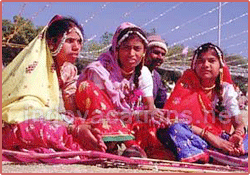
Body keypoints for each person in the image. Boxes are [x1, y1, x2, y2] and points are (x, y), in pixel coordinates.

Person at [2, 15, 107, 163]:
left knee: (88, 125)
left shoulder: (68, 70)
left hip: (49, 119)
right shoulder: (34, 66)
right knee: (51, 131)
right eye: (69, 41)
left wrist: (80, 125)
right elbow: (26, 110)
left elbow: (70, 111)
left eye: (79, 41)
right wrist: (72, 128)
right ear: (51, 43)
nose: (77, 47)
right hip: (18, 124)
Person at [75, 22, 165, 157]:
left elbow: (149, 108)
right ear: (116, 49)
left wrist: (157, 115)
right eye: (126, 48)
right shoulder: (99, 71)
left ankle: (132, 146)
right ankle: (128, 145)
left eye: (137, 49)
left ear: (144, 52)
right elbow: (104, 112)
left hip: (129, 121)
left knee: (156, 123)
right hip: (98, 120)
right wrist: (138, 115)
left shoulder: (144, 73)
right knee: (86, 87)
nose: (132, 53)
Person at [157, 43, 248, 165]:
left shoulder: (226, 89)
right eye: (201, 61)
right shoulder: (185, 86)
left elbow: (238, 122)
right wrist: (210, 137)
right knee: (175, 129)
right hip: (195, 138)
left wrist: (237, 135)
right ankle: (212, 155)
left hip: (221, 139)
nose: (205, 65)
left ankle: (223, 153)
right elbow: (172, 120)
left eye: (211, 61)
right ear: (194, 66)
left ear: (220, 66)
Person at [144, 35, 168, 108]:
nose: (160, 57)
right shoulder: (132, 72)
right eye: (156, 53)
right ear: (145, 53)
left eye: (163, 54)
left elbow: (161, 102)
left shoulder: (156, 77)